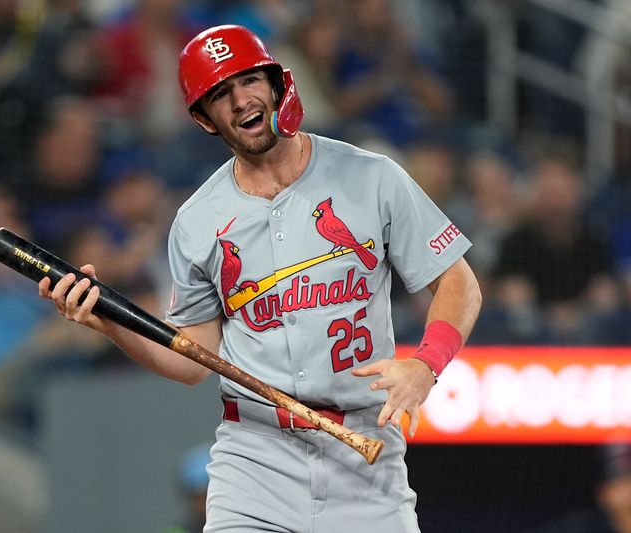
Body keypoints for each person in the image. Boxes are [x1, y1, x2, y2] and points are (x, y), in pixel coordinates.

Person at [39, 24, 482, 532]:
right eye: (220, 93)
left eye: (248, 80)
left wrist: (427, 365)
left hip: (366, 451)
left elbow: (459, 282)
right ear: (205, 119)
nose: (240, 100)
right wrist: (107, 322)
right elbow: (191, 360)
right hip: (256, 458)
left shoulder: (372, 176)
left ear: (276, 84)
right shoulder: (197, 220)